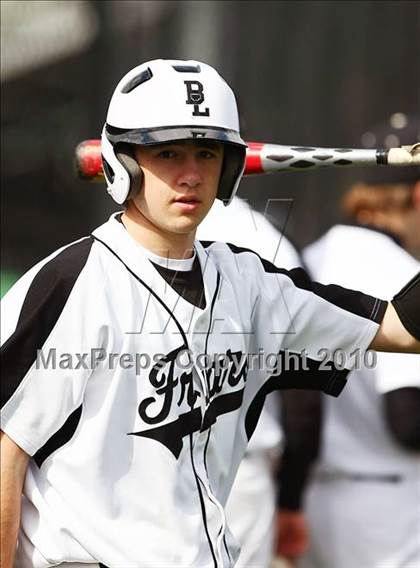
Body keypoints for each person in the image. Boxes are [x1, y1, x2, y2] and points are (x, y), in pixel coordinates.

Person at [0, 60, 419, 568]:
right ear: (124, 162)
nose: (191, 174)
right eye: (168, 152)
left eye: (206, 152)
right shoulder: (72, 283)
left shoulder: (249, 282)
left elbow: (399, 328)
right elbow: (6, 453)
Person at [299, 114, 420, 568]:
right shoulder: (401, 275)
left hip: (314, 497)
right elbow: (407, 419)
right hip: (390, 512)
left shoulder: (311, 257)